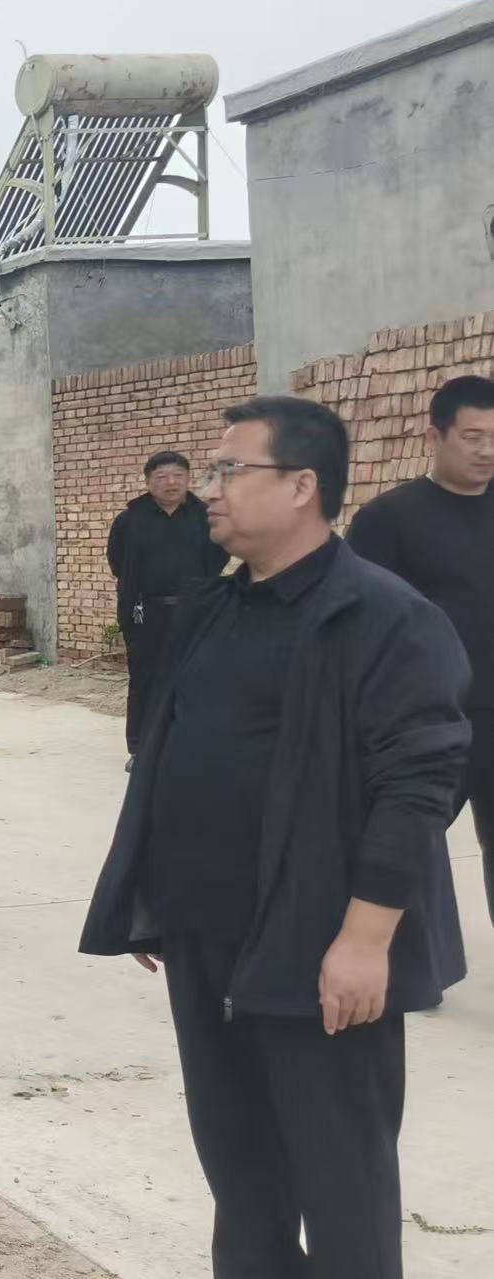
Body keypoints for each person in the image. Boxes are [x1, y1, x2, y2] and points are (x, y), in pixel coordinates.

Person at [78, 397, 470, 1279]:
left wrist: (364, 939)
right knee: (240, 1175)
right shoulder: (214, 608)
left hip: (318, 942)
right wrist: (152, 894)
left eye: (229, 470)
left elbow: (416, 789)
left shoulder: (383, 617)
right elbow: (172, 751)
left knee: (340, 1180)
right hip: (204, 937)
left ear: (301, 486)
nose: (208, 489)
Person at [346, 373, 494, 927]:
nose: (487, 450)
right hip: (429, 722)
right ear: (434, 437)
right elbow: (360, 625)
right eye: (473, 437)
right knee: (399, 850)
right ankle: (382, 955)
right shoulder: (387, 520)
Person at [107, 450, 227, 759]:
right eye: (161, 477)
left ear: (188, 479)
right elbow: (117, 562)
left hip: (195, 611)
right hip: (146, 614)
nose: (170, 482)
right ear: (148, 482)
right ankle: (141, 749)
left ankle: (188, 744)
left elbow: (219, 556)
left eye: (178, 475)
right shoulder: (130, 520)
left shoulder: (205, 516)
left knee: (195, 678)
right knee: (145, 681)